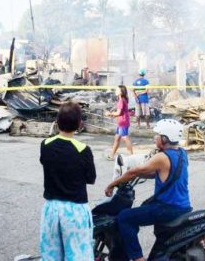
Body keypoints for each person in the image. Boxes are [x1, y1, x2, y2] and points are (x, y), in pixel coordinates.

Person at [106, 119, 191, 261]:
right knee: (143, 208)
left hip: (167, 208)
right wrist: (140, 175)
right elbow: (163, 173)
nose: (154, 138)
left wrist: (112, 184)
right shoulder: (182, 153)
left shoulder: (162, 157)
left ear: (165, 138)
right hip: (183, 206)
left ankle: (138, 258)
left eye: (157, 135)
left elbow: (134, 171)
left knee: (125, 218)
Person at [39, 102, 96, 261]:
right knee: (78, 256)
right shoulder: (83, 149)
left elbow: (45, 163)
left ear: (57, 123)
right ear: (79, 124)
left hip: (51, 209)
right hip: (75, 211)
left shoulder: (45, 145)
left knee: (50, 256)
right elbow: (91, 179)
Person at [105, 85, 134, 160]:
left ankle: (132, 156)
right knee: (117, 138)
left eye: (117, 90)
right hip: (121, 122)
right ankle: (111, 155)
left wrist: (110, 114)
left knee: (125, 138)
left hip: (123, 122)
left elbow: (118, 113)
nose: (115, 91)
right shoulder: (122, 99)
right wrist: (112, 114)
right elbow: (120, 113)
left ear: (121, 92)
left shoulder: (121, 100)